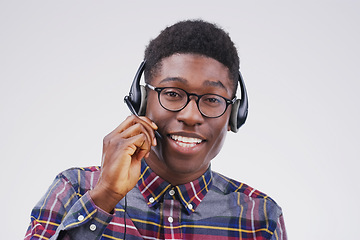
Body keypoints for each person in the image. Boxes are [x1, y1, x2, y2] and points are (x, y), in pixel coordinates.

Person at [24, 19, 287, 240]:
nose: (191, 115)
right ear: (140, 101)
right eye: (172, 93)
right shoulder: (74, 190)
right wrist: (104, 197)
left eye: (212, 99)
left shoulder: (261, 219)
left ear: (234, 115)